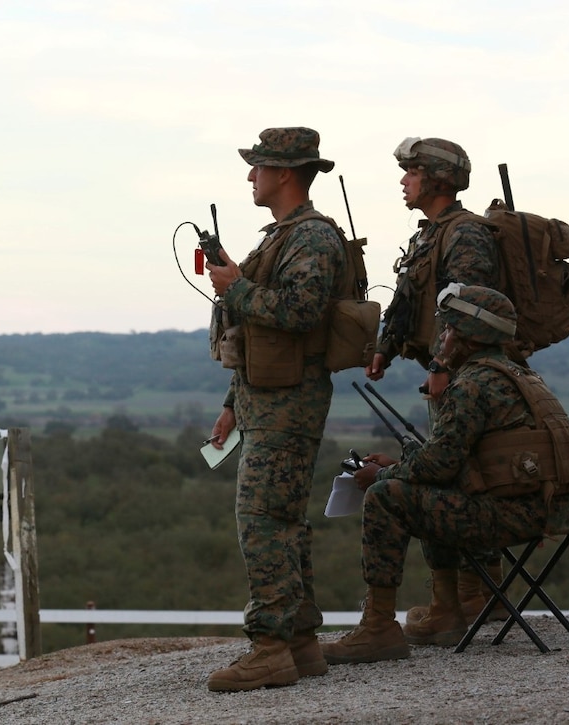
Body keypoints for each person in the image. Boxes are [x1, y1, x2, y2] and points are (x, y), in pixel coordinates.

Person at [320, 285, 569, 665]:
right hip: (545, 510)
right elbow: (459, 461)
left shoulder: (472, 384)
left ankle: (378, 629)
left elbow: (439, 466)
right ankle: (444, 612)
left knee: (387, 496)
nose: (441, 337)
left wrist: (379, 476)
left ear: (466, 336)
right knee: (416, 484)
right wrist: (398, 464)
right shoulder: (518, 374)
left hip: (510, 516)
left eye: (448, 329)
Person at [203, 127, 346, 692]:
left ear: (285, 173)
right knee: (284, 522)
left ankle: (268, 650)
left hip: (290, 404)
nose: (250, 177)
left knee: (261, 522)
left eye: (258, 167)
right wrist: (233, 404)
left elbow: (300, 312)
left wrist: (236, 286)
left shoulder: (312, 238)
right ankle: (300, 643)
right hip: (266, 400)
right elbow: (262, 334)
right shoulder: (285, 236)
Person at [367, 137, 508, 632]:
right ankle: (457, 598)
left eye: (412, 172)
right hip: (446, 372)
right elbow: (410, 295)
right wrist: (385, 348)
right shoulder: (432, 233)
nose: (404, 181)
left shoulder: (466, 233)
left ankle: (475, 596)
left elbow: (466, 308)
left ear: (437, 178)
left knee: (467, 476)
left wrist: (444, 365)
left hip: (467, 377)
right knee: (450, 475)